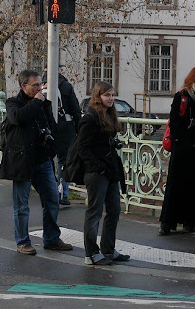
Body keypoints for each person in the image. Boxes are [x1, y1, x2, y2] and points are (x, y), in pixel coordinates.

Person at [0, 70, 73, 255]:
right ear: (24, 86)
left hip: (42, 159)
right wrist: (36, 102)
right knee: (22, 205)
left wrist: (53, 144)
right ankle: (22, 241)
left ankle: (51, 238)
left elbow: (52, 126)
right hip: (22, 160)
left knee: (52, 199)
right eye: (36, 85)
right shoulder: (13, 103)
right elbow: (18, 117)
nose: (40, 88)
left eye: (41, 84)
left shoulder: (43, 104)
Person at [77, 81, 129, 265]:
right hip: (97, 172)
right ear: (98, 97)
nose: (111, 98)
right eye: (107, 95)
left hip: (110, 169)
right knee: (95, 212)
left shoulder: (108, 115)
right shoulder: (90, 118)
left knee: (114, 209)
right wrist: (97, 166)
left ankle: (108, 249)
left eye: (112, 95)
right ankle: (91, 254)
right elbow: (82, 148)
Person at [159, 66, 195, 235]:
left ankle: (191, 221)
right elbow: (174, 120)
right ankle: (167, 223)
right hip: (183, 147)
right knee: (175, 185)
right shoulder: (182, 96)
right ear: (193, 79)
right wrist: (180, 139)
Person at [42, 72, 82, 206]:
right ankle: (63, 193)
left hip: (46, 126)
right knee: (63, 161)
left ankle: (48, 189)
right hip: (65, 127)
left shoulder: (42, 86)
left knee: (46, 159)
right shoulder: (66, 87)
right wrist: (78, 128)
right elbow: (75, 109)